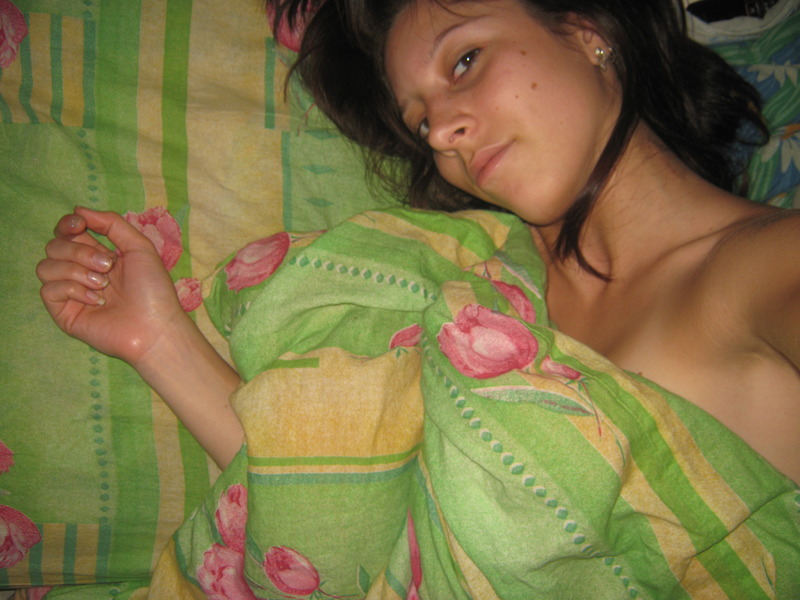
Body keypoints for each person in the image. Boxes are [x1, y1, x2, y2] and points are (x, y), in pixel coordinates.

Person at [36, 0, 799, 596]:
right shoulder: (466, 284)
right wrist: (159, 341)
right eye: (420, 119)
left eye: (465, 61)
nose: (440, 136)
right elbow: (348, 518)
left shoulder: (767, 268)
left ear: (587, 32)